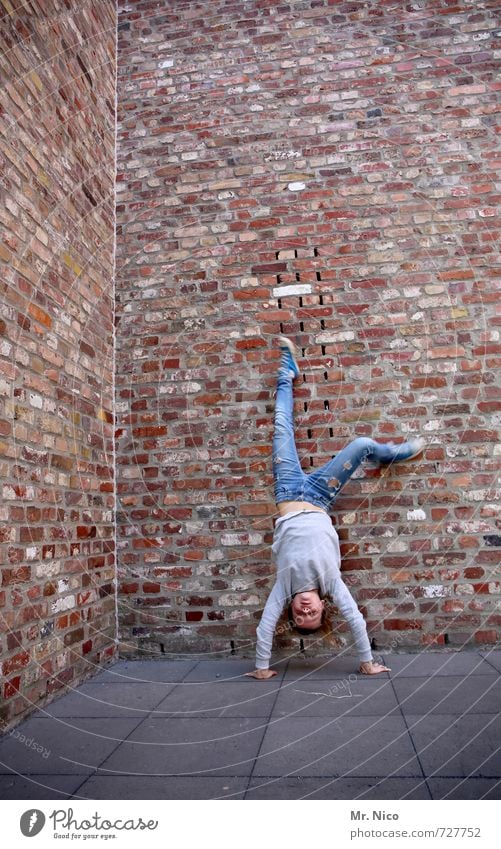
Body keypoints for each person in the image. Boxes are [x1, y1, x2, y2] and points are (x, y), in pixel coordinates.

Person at [246, 337, 425, 680]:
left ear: (293, 611)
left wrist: (261, 667)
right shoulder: (331, 583)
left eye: (298, 618)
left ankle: (287, 370)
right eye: (310, 618)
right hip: (319, 496)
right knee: (360, 445)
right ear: (323, 609)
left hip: (286, 490)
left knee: (281, 425)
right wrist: (368, 662)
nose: (304, 613)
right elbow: (356, 619)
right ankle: (391, 454)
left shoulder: (284, 587)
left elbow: (266, 624)